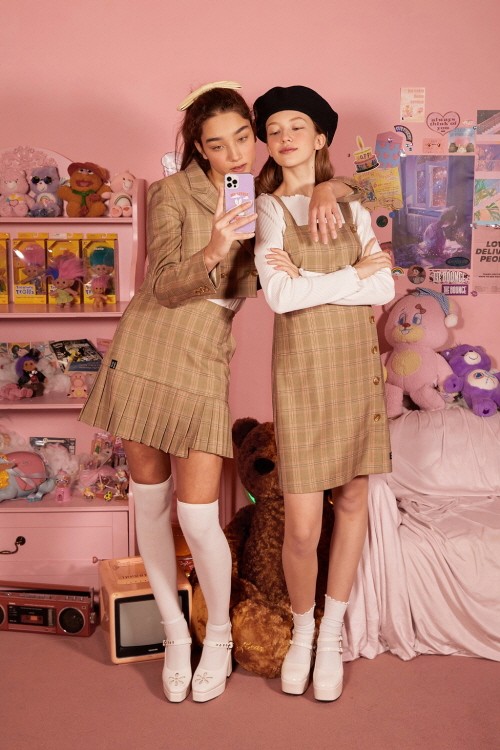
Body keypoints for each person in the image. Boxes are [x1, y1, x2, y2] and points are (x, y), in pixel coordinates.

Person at [79, 81, 353, 704]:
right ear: (198, 147)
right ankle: (177, 635)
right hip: (146, 350)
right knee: (151, 506)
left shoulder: (267, 196)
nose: (233, 154)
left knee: (198, 517)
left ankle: (221, 637)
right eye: (217, 144)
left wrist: (329, 188)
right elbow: (162, 284)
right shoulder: (172, 193)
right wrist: (216, 246)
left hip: (204, 357)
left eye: (241, 139)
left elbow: (349, 197)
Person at [253, 85, 395, 702]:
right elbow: (280, 297)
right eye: (274, 129)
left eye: (297, 126)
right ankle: (304, 630)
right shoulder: (266, 209)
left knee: (354, 500)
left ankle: (332, 634)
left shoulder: (352, 204)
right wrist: (351, 274)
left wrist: (319, 276)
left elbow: (384, 288)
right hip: (303, 376)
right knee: (304, 527)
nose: (285, 137)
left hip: (354, 371)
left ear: (320, 138)